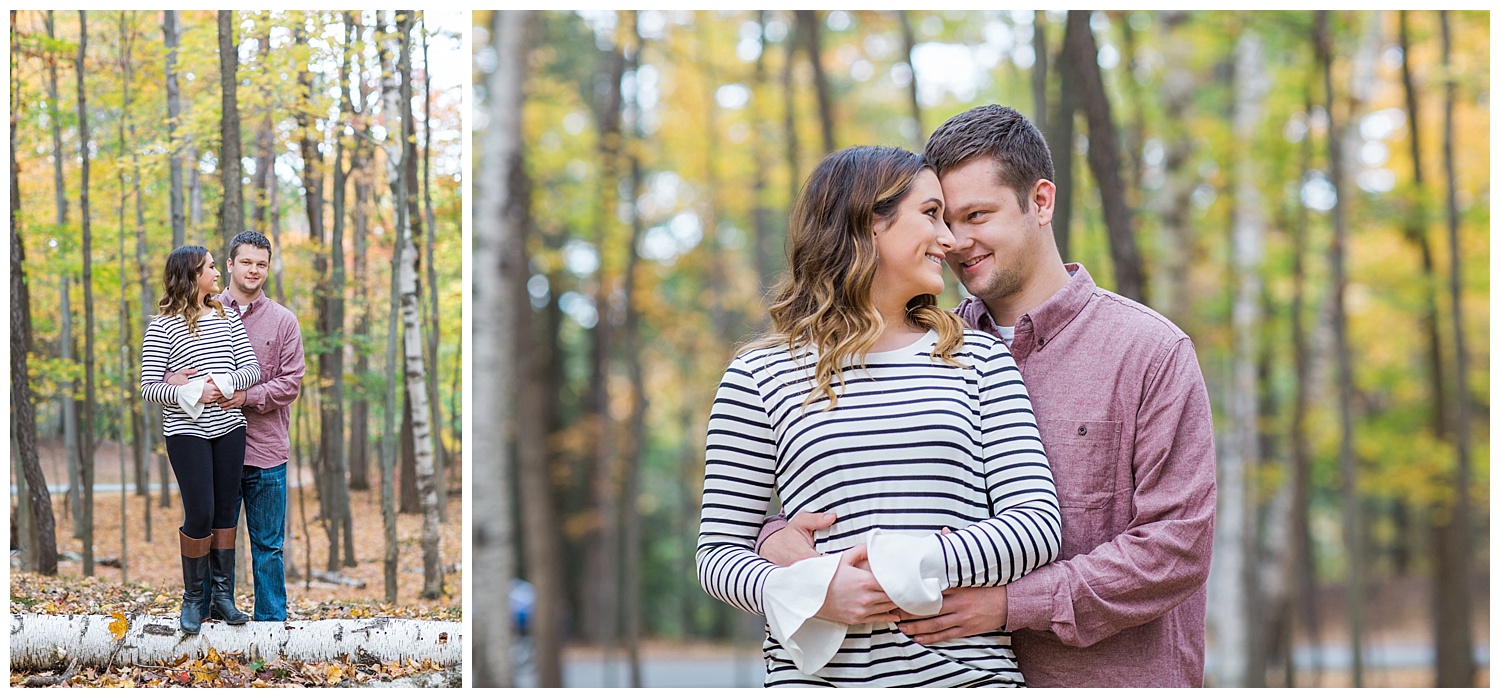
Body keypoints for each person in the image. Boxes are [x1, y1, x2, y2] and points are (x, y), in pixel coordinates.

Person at [759, 105, 1217, 687]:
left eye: (978, 215)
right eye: (942, 219)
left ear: (1041, 202)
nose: (954, 241)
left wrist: (1010, 603)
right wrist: (778, 539)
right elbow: (844, 484)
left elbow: (1174, 548)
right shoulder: (915, 353)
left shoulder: (1148, 350)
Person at [697, 145, 1061, 687]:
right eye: (931, 215)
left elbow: (1035, 528)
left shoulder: (979, 360)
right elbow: (717, 553)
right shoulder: (758, 376)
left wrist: (905, 563)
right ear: (869, 222)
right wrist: (815, 589)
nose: (951, 240)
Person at [175, 230, 304, 622]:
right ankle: (217, 619)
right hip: (210, 447)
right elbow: (167, 372)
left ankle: (271, 627)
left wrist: (244, 396)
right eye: (246, 262)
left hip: (266, 451)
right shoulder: (196, 313)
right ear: (229, 265)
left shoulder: (283, 321)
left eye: (261, 264)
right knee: (214, 534)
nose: (254, 270)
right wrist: (184, 383)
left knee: (268, 545)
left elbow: (291, 382)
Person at [140, 245, 260, 634]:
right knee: (201, 512)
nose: (217, 273)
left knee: (227, 511)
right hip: (186, 431)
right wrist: (189, 391)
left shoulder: (227, 317)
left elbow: (252, 369)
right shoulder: (163, 325)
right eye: (210, 267)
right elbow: (149, 387)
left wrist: (217, 386)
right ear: (191, 274)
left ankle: (222, 597)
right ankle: (194, 599)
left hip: (229, 427)